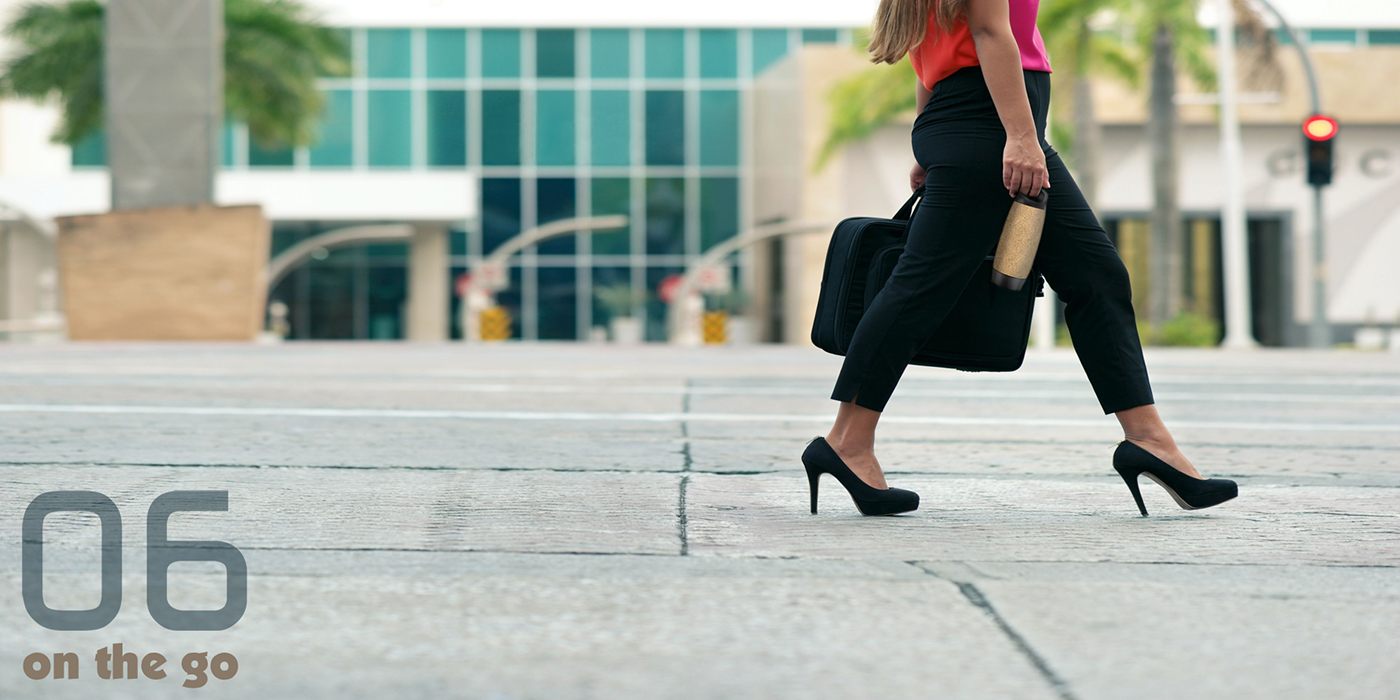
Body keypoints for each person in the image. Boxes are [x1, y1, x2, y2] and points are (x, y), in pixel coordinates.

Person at [801, 0, 1238, 517]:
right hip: (991, 124)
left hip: (974, 120)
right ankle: (847, 441)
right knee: (920, 286)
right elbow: (989, 32)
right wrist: (1022, 138)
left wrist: (933, 143)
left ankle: (1148, 440)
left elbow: (935, 48)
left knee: (1095, 277)